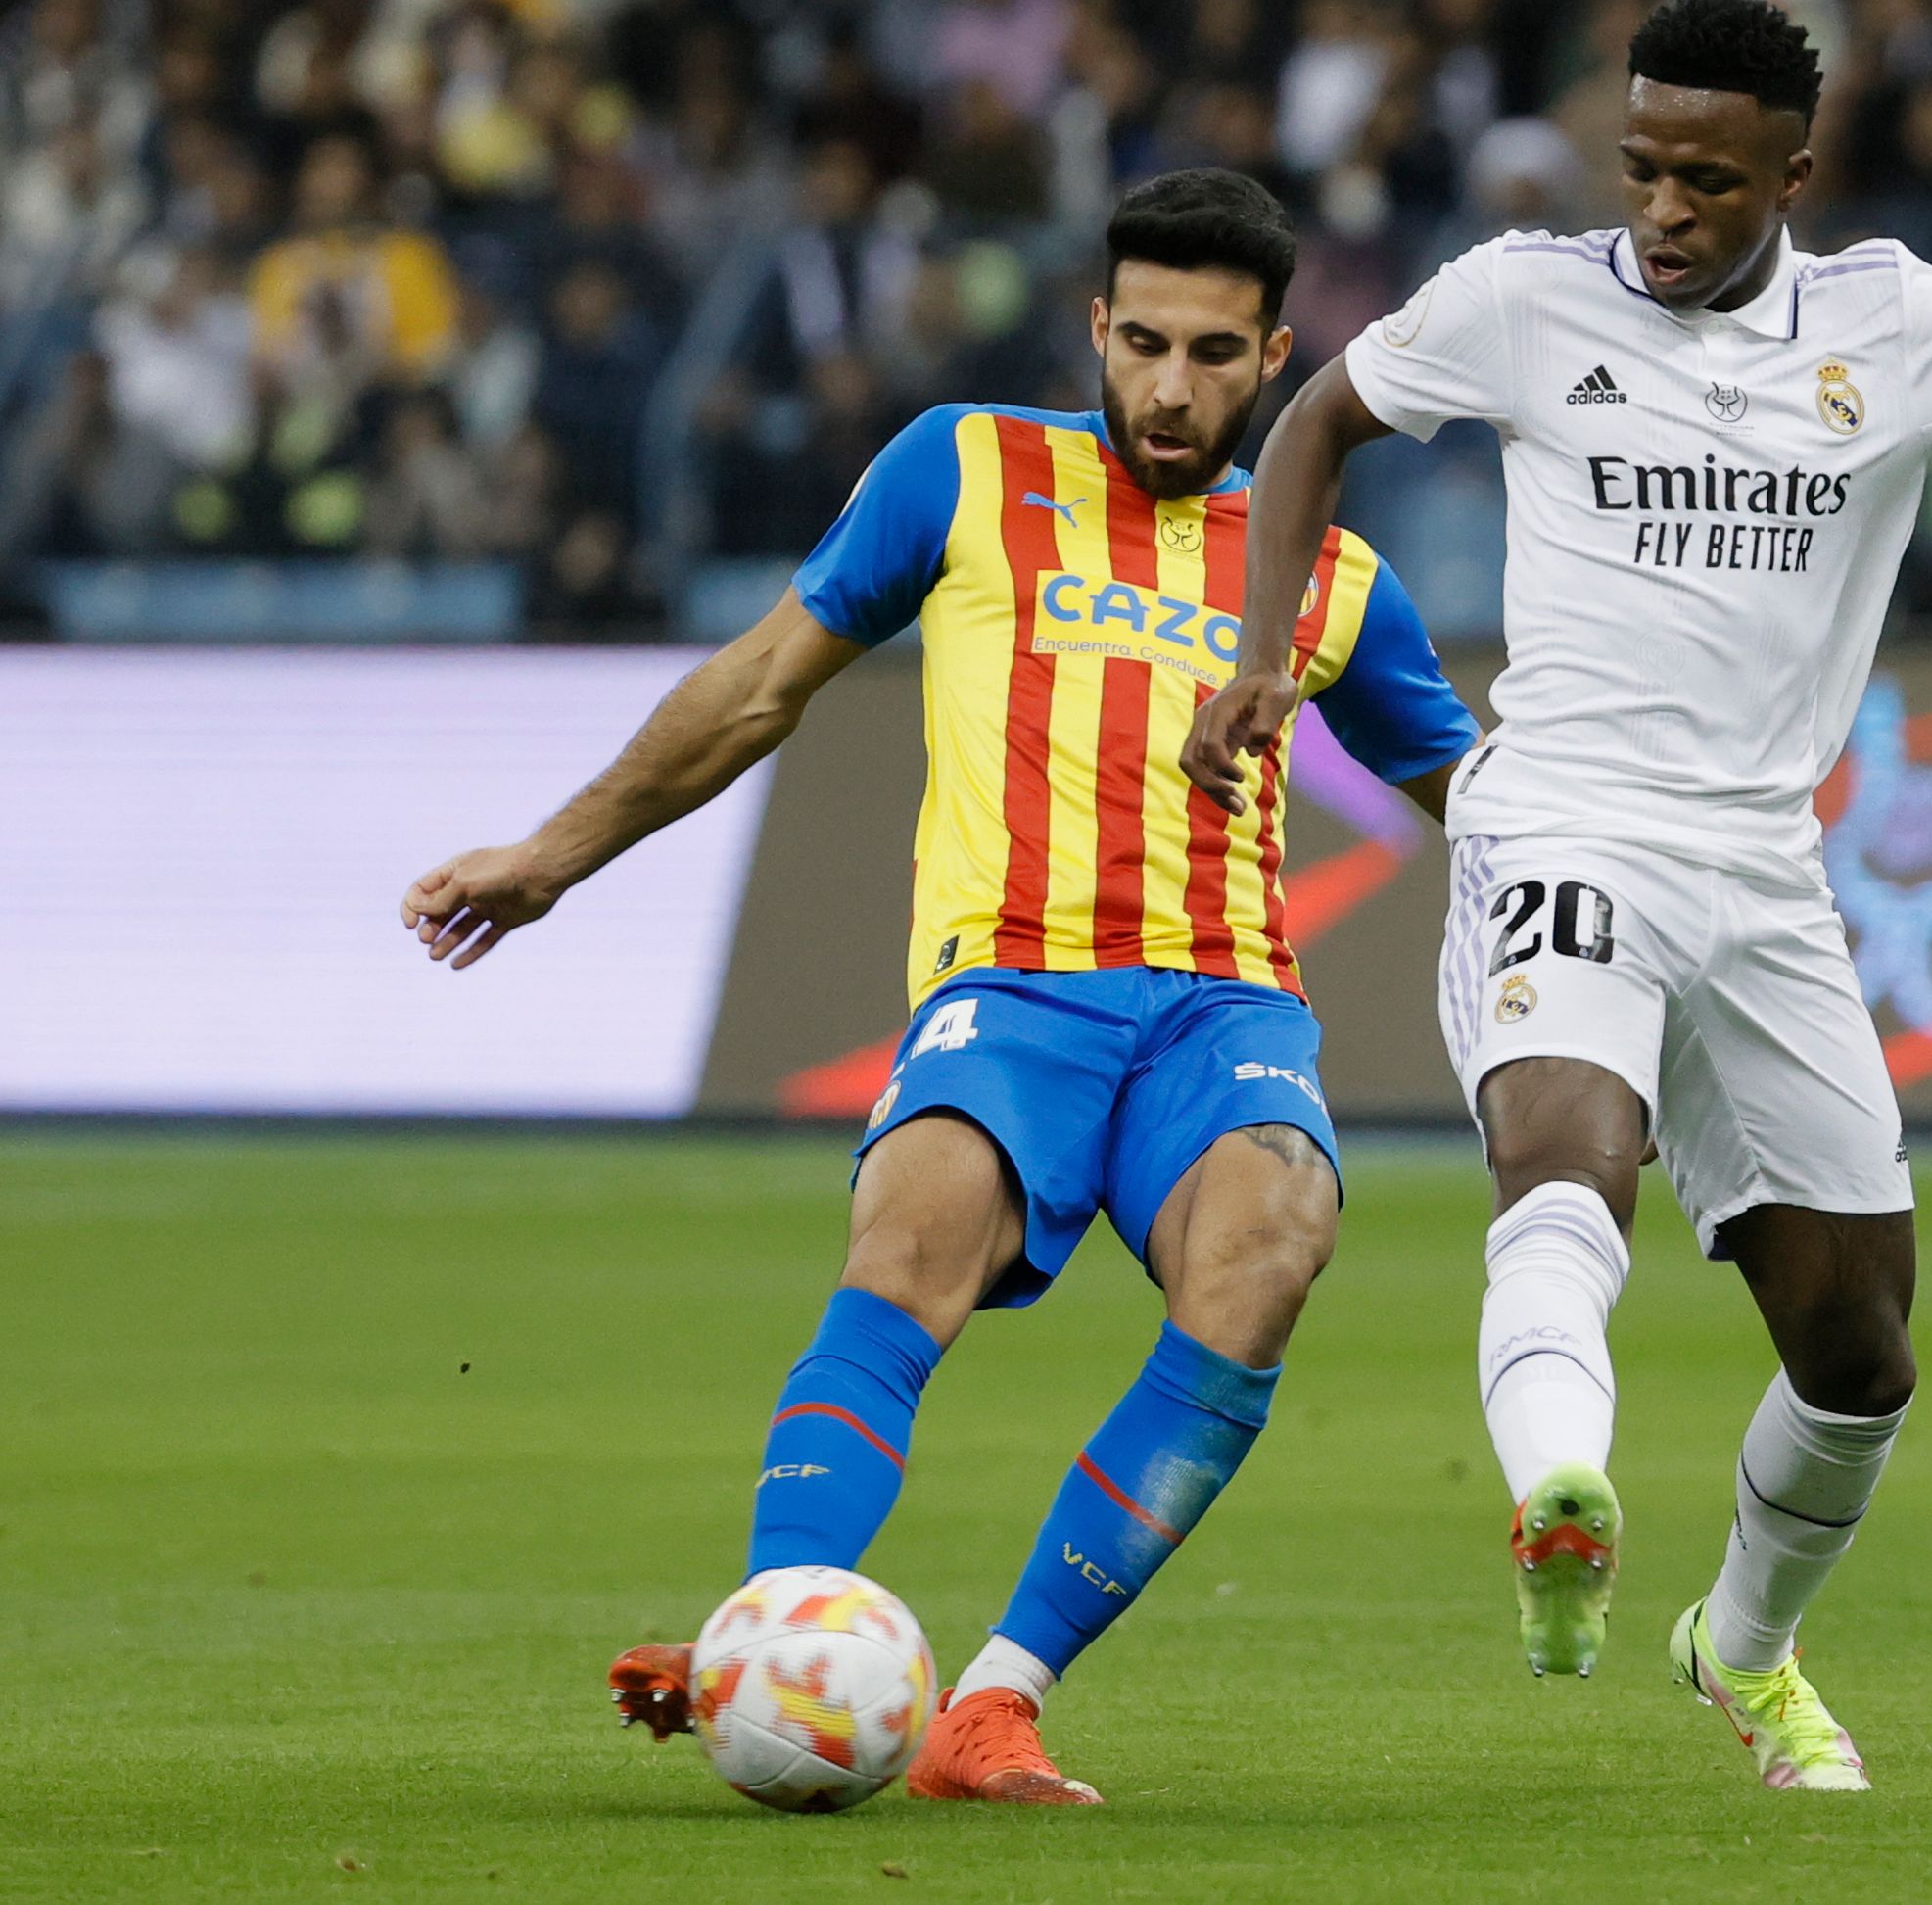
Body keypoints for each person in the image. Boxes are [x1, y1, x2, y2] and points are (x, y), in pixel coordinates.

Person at [1182, 0, 1932, 1792]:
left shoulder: (1890, 324)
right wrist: (1267, 654)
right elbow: (1312, 428)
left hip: (1764, 866)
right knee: (1570, 1160)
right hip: (1563, 821)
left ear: (1791, 177)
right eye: (1643, 166)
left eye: (1710, 181)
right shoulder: (1520, 299)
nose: (1663, 208)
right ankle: (1560, 1495)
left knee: (1859, 1351)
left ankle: (1741, 1643)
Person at [398, 169, 1475, 1807]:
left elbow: (1481, 798)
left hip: (1227, 1000)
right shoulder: (966, 468)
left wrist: (1625, 973)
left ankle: (994, 1703)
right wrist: (553, 854)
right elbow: (763, 682)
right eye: (1146, 344)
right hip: (1015, 982)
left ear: (1272, 363)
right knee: (910, 1238)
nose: (1171, 388)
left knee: (1267, 1256)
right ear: (1096, 329)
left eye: (1215, 355)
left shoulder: (1326, 574)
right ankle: (772, 1629)